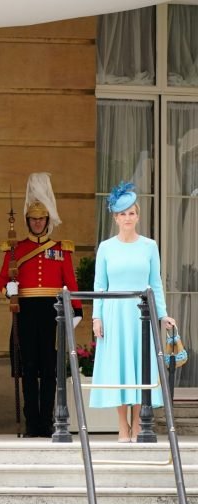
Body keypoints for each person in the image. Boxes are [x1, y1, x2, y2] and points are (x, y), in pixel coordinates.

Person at [0, 172, 82, 438]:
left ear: (47, 221)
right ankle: (32, 422)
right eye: (33, 219)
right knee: (28, 368)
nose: (37, 223)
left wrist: (76, 310)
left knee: (49, 370)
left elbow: (71, 281)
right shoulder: (15, 248)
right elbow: (1, 278)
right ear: (27, 221)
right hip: (25, 311)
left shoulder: (61, 249)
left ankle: (48, 421)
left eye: (41, 219)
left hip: (51, 313)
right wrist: (7, 288)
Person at [91, 181, 176, 443]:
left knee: (141, 367)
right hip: (114, 314)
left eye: (131, 213)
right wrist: (96, 316)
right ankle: (121, 426)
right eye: (122, 213)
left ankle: (139, 423)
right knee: (119, 367)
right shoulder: (106, 247)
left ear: (137, 216)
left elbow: (156, 282)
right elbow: (99, 285)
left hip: (142, 313)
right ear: (115, 218)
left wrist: (162, 314)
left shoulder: (149, 246)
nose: (127, 218)